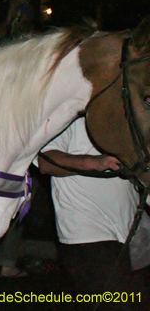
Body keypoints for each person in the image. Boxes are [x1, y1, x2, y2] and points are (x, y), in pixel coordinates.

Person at [38, 118, 146, 307]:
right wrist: (94, 162)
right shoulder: (71, 116)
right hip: (87, 234)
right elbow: (46, 162)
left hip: (127, 234)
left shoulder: (126, 118)